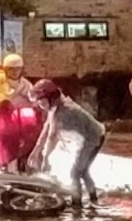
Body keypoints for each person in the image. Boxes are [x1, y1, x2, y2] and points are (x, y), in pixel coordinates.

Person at [28, 78, 106, 207]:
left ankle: (77, 204)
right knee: (83, 171)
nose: (39, 104)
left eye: (41, 100)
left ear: (51, 97)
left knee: (75, 173)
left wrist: (46, 158)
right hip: (89, 136)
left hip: (93, 138)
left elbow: (52, 136)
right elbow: (47, 128)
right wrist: (36, 150)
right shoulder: (55, 107)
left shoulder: (65, 111)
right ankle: (93, 198)